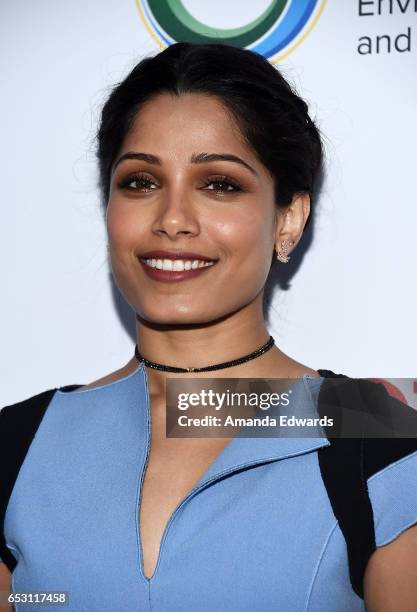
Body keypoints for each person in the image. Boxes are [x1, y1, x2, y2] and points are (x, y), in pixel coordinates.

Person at [1, 42, 416, 611]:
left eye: (219, 183)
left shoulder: (378, 427)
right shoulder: (19, 443)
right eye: (140, 182)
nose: (171, 219)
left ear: (288, 218)